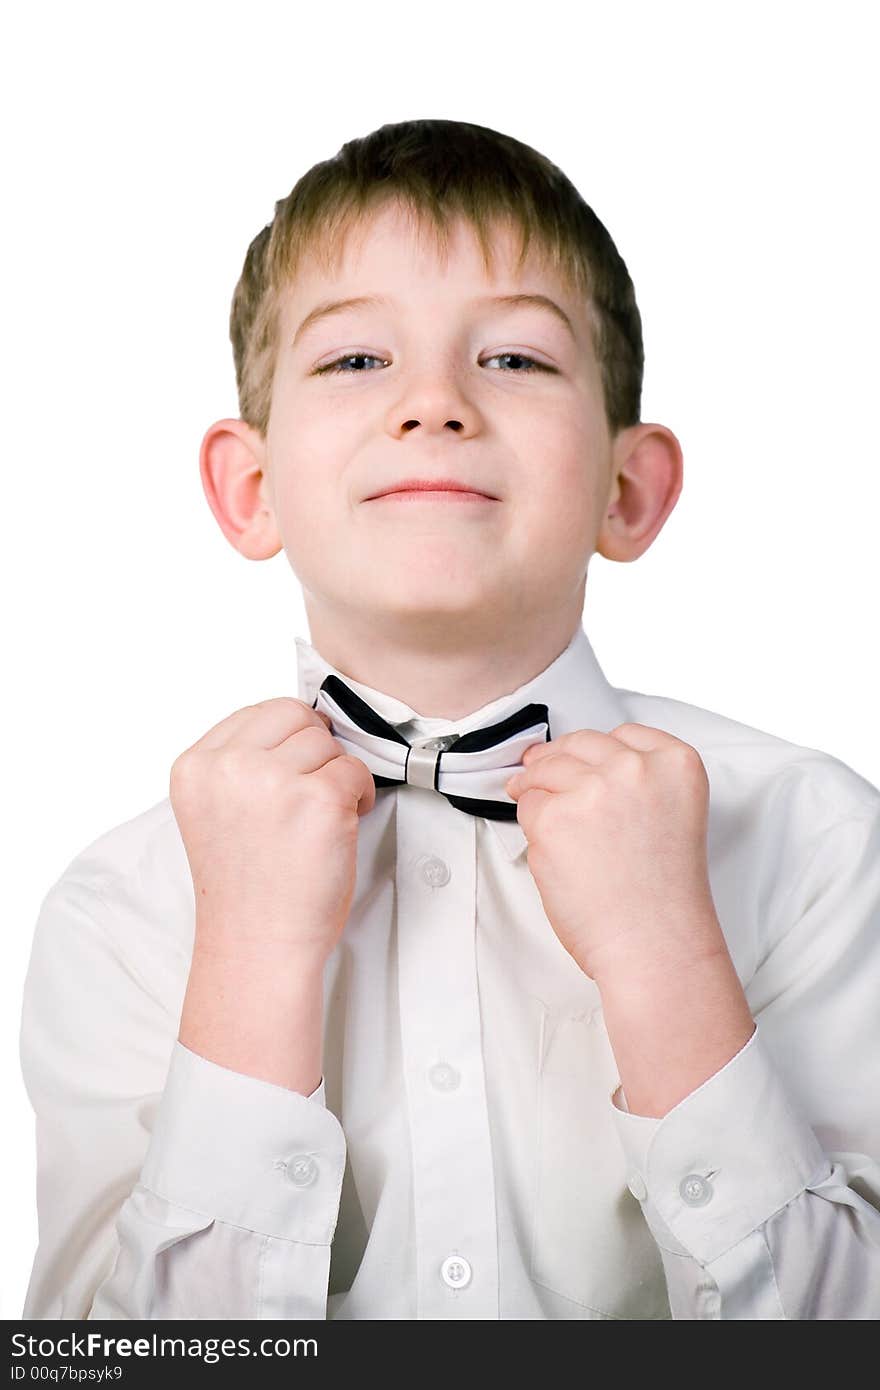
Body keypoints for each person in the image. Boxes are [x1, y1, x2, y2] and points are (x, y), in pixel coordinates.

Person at [19, 118, 880, 1321]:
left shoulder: (816, 842)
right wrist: (252, 962)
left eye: (516, 360)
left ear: (628, 491)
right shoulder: (124, 909)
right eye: (355, 361)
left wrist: (665, 956)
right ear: (249, 487)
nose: (432, 404)